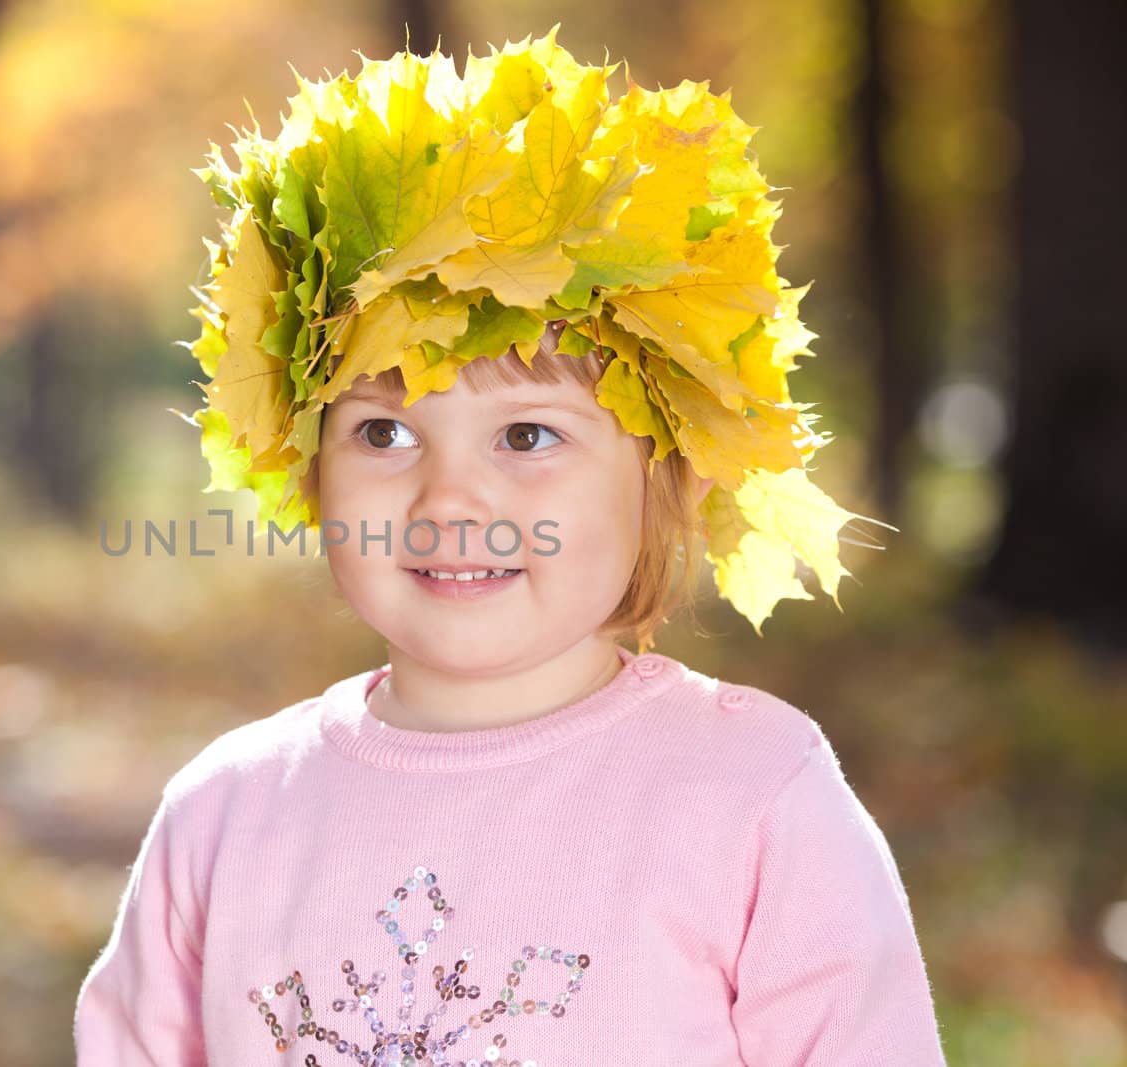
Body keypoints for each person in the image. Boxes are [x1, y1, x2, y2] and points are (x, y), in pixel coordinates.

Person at [73, 26, 947, 1066]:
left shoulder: (752, 797)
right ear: (308, 470)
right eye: (383, 431)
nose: (451, 497)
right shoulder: (223, 816)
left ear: (669, 472)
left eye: (528, 435)